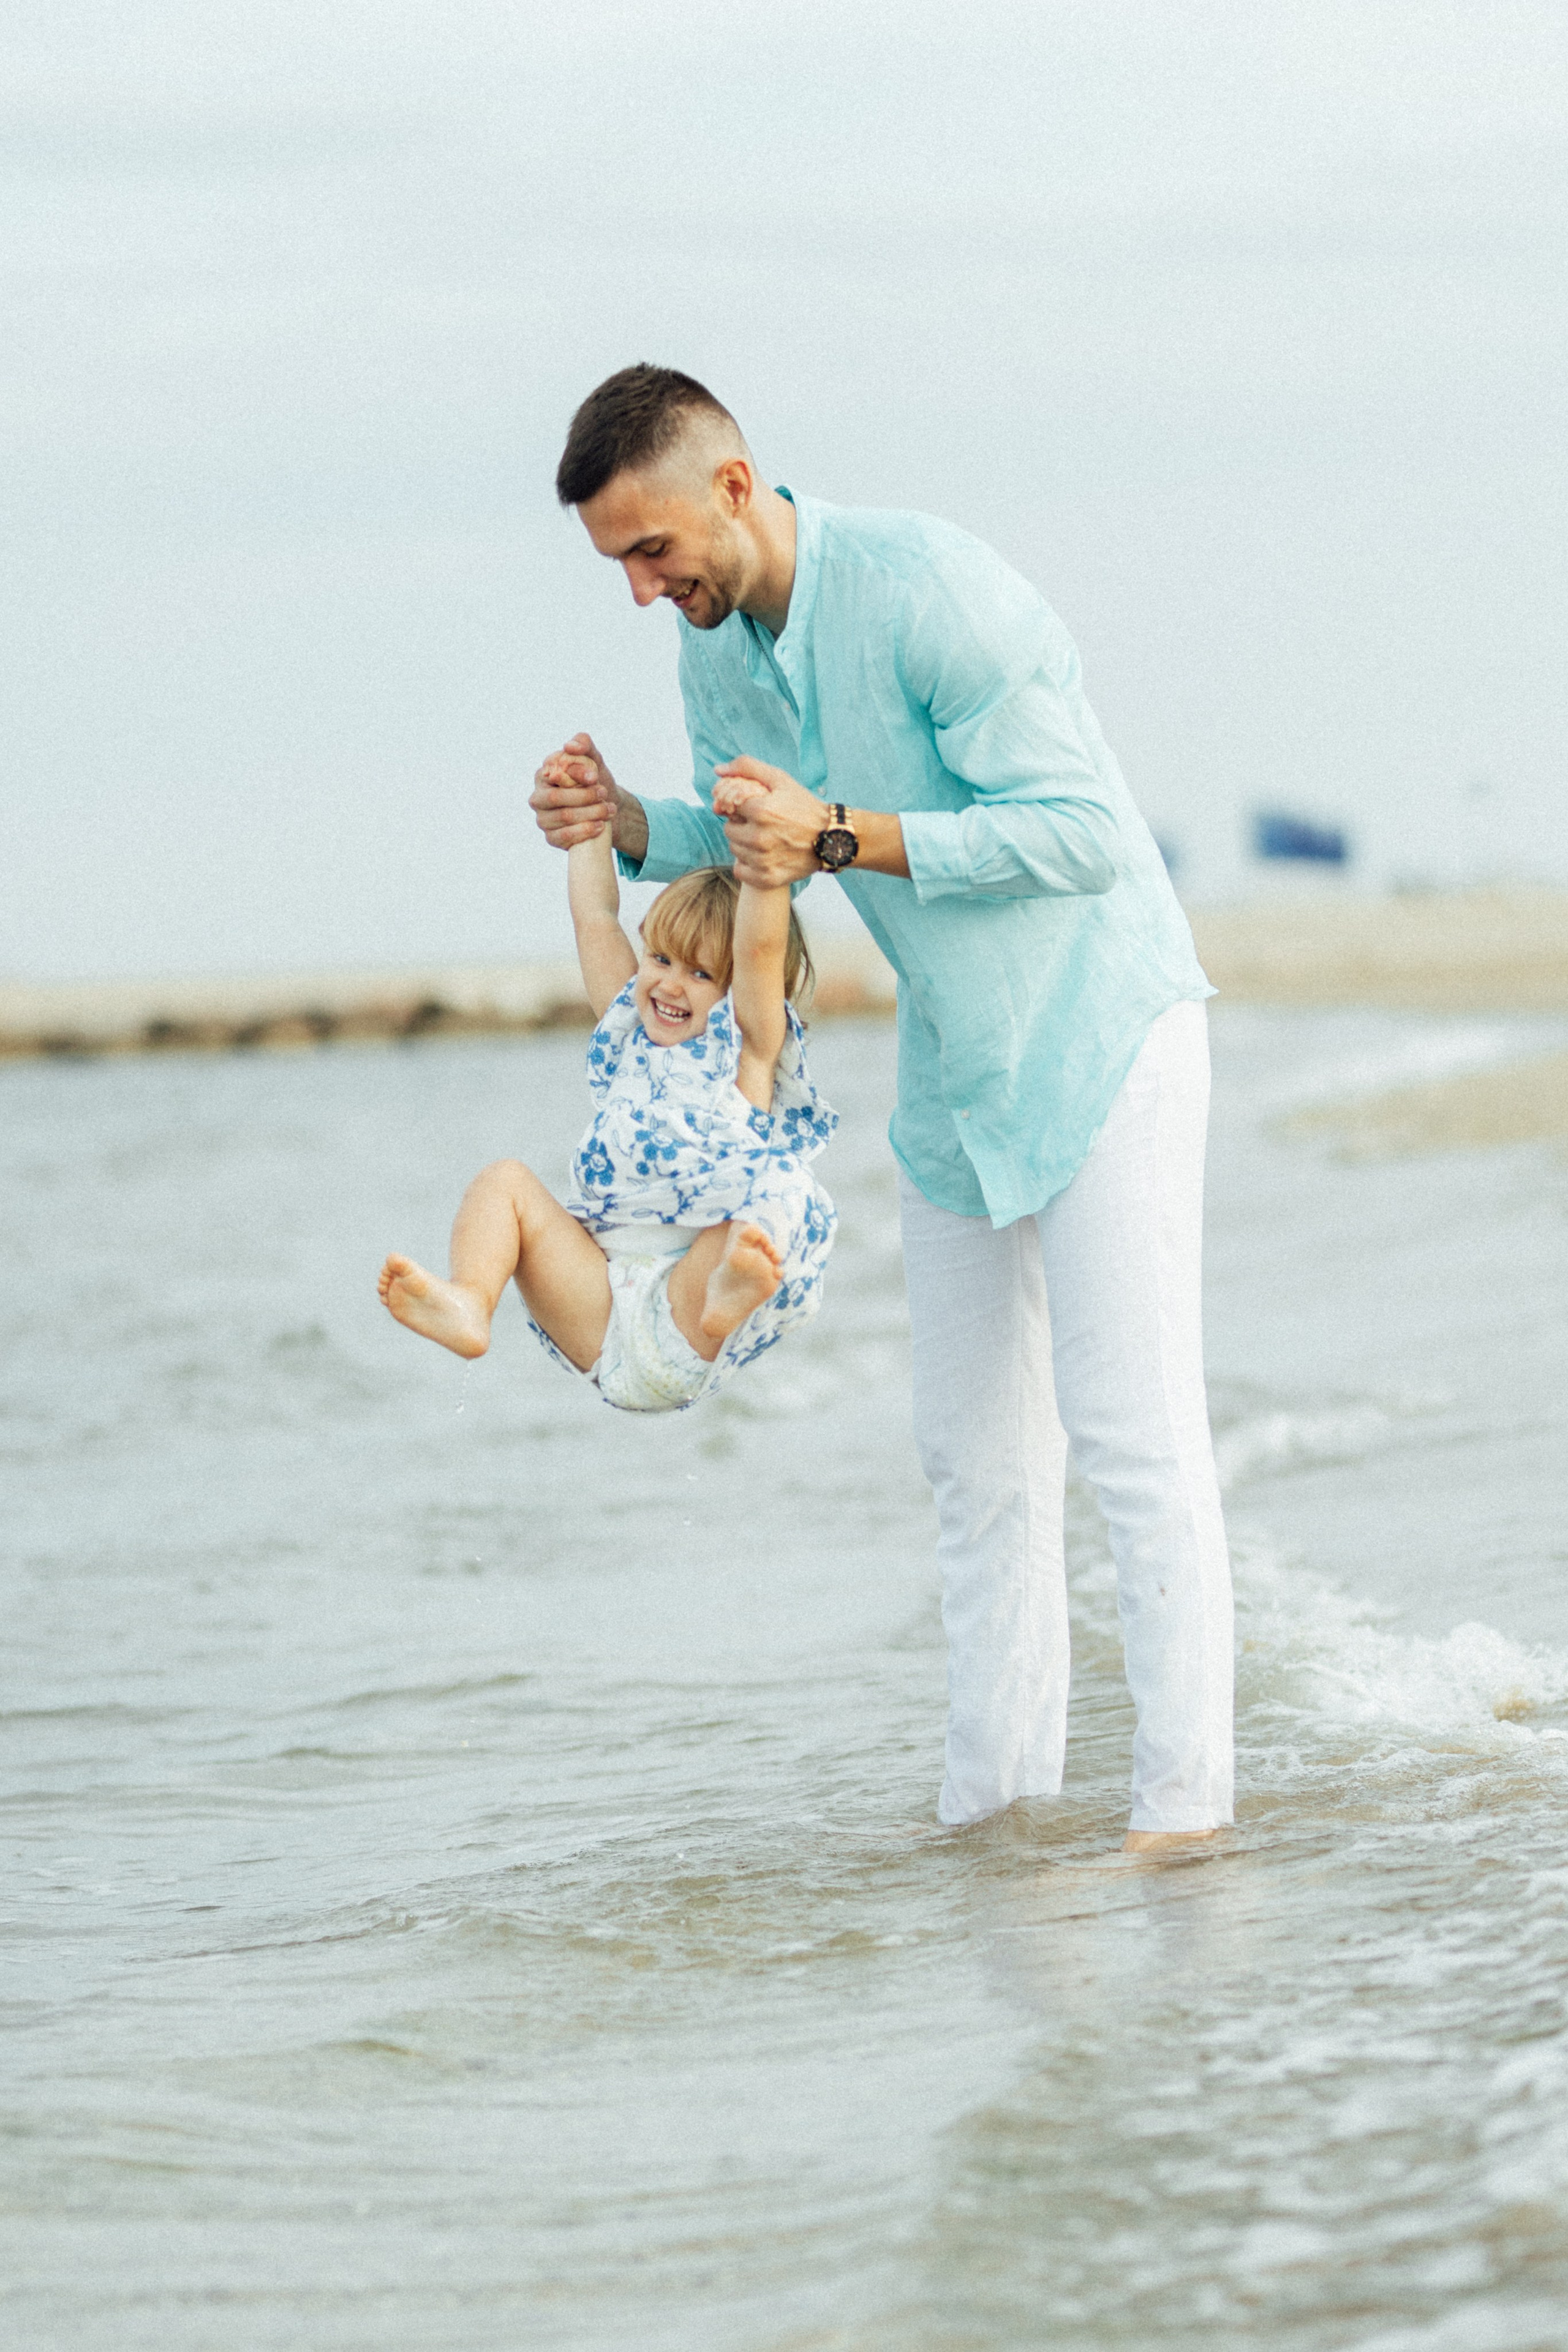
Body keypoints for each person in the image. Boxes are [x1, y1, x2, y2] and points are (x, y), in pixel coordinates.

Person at [530, 364, 1234, 1854]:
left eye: (652, 552)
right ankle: (992, 1843)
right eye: (618, 568)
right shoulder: (714, 652)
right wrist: (625, 825)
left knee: (1129, 1440)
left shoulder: (931, 588)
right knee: (972, 1469)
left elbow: (1083, 838)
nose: (644, 590)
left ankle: (1184, 1836)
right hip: (951, 1077)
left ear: (731, 487)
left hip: (1103, 1033)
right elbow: (744, 863)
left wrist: (839, 829)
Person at [379, 806, 836, 1414]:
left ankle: (732, 1284)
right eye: (661, 959)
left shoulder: (743, 1054)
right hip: (597, 1313)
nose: (670, 985)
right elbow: (595, 919)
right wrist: (588, 822)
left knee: (779, 1187)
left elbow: (757, 951)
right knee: (505, 1182)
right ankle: (469, 1302)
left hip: (689, 1313)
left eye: (701, 974)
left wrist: (765, 864)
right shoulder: (627, 1038)